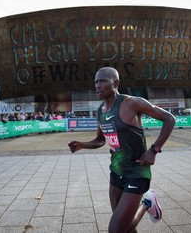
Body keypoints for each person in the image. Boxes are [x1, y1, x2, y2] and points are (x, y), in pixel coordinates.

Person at [68, 67, 176, 233]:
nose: (97, 85)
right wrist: (83, 144)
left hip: (137, 172)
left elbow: (169, 118)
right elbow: (100, 140)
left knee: (117, 229)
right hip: (116, 172)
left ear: (116, 83)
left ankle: (148, 203)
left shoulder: (131, 103)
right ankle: (147, 203)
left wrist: (154, 150)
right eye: (96, 82)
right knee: (126, 227)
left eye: (103, 81)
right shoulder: (100, 112)